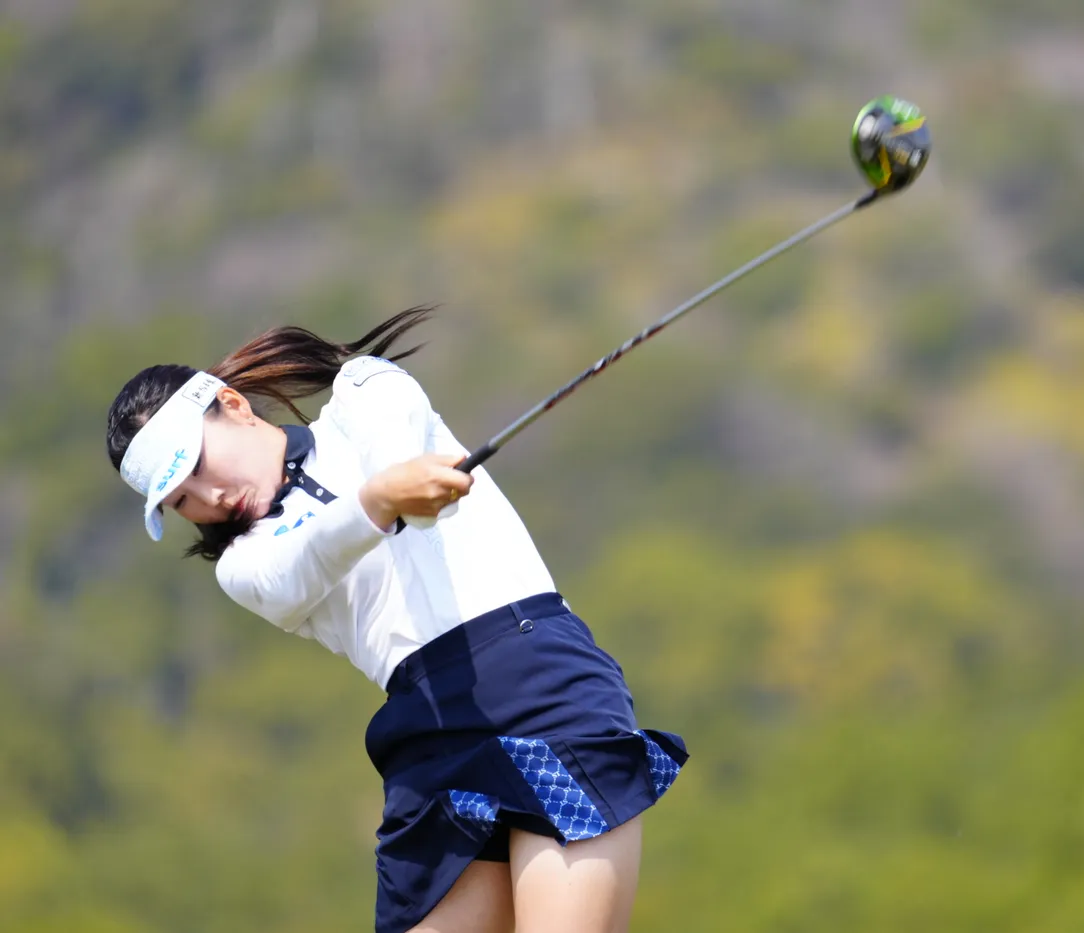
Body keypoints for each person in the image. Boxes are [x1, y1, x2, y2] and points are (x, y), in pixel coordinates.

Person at [105, 307, 687, 933]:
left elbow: (392, 434)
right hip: (428, 738)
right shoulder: (244, 564)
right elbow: (312, 555)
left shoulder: (361, 390)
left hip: (542, 685)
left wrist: (399, 483)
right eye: (182, 501)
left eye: (196, 466)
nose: (211, 499)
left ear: (234, 405)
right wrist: (379, 501)